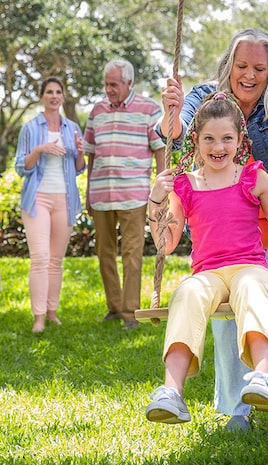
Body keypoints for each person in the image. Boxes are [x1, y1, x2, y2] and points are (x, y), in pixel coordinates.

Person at [158, 28, 268, 430]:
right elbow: (175, 131)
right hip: (224, 226)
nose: (249, 75)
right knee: (230, 316)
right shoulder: (207, 96)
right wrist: (171, 113)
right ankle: (238, 407)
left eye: (259, 68)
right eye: (242, 65)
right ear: (228, 65)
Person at [145, 91, 268, 424]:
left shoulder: (253, 177)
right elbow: (166, 243)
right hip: (209, 274)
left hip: (250, 266)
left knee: (252, 287)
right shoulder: (185, 185)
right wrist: (156, 201)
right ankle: (172, 392)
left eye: (226, 139)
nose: (218, 147)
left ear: (240, 140)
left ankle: (263, 377)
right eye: (209, 139)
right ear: (196, 140)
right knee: (187, 292)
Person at [83, 59, 166, 330]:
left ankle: (131, 312)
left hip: (133, 194)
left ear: (129, 83)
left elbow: (160, 150)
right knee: (104, 252)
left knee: (132, 252)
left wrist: (161, 187)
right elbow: (91, 154)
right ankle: (115, 307)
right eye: (106, 84)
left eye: (114, 84)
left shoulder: (149, 109)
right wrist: (87, 192)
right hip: (101, 194)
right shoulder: (97, 112)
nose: (109, 89)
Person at [15, 76, 86, 333]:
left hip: (64, 199)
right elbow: (21, 167)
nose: (54, 96)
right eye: (49, 92)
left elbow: (79, 169)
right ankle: (38, 318)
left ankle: (53, 312)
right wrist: (40, 149)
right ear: (42, 96)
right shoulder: (30, 128)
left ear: (63, 96)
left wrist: (80, 152)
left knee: (56, 260)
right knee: (40, 258)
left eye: (58, 92)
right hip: (38, 199)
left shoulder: (72, 128)